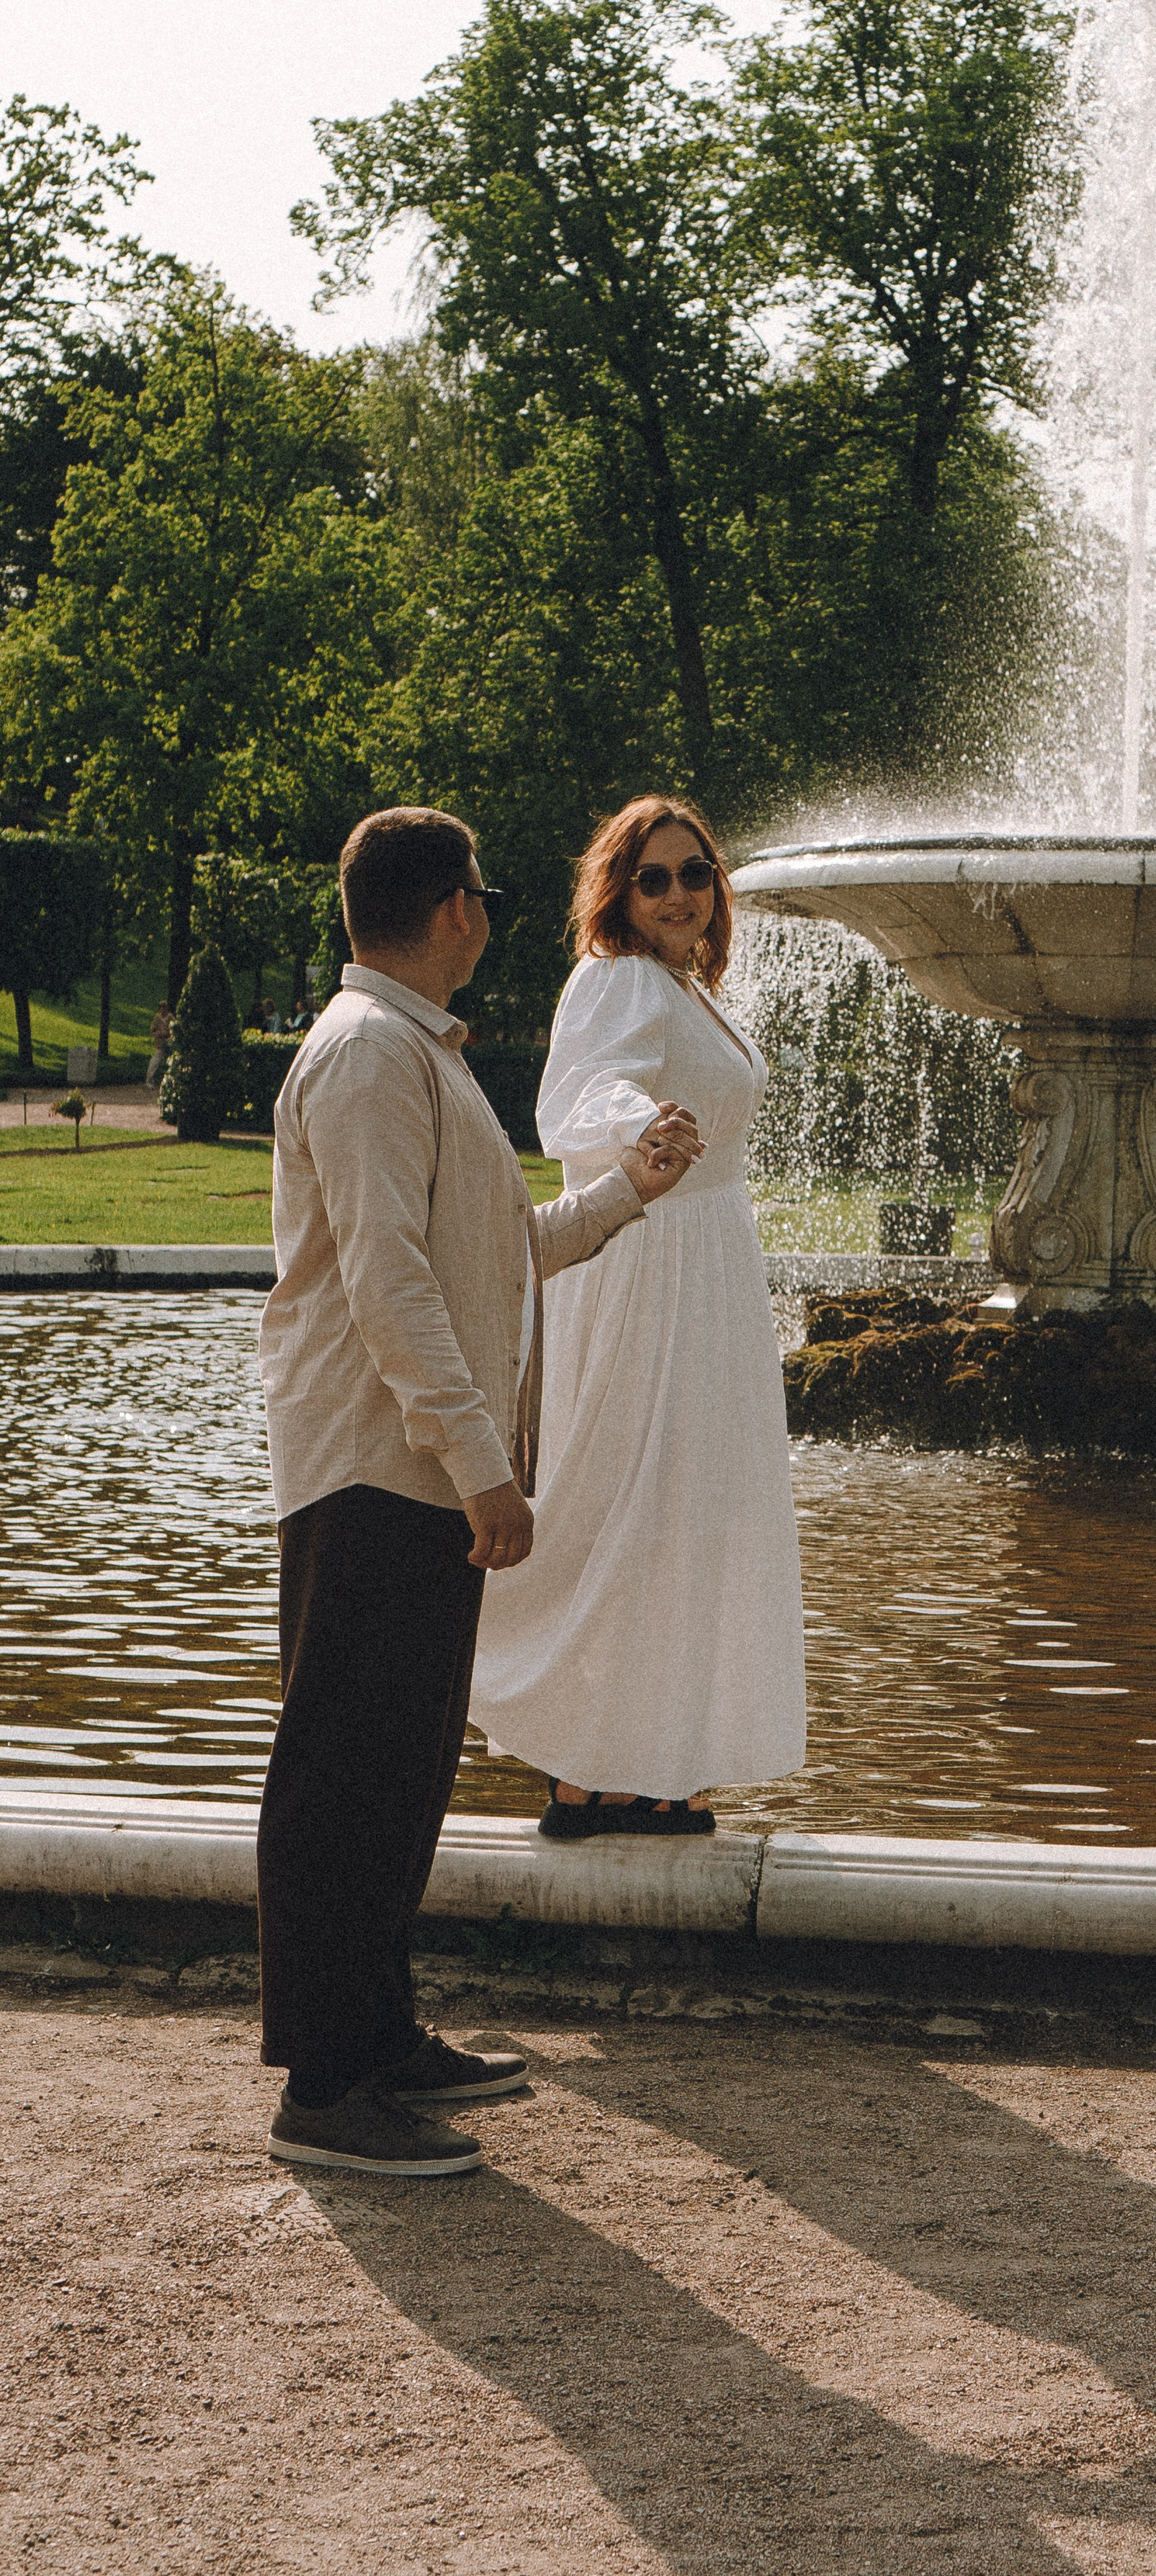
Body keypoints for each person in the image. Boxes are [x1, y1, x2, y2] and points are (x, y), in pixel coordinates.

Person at [255, 805, 703, 2178]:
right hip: (377, 1468)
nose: (492, 918)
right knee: (345, 1772)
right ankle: (325, 2087)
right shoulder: (367, 1057)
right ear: (454, 908)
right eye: (484, 897)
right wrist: (481, 1469)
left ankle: (378, 2036)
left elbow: (495, 1256)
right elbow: (388, 1283)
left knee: (401, 1766)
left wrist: (628, 1188)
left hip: (412, 1472)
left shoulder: (413, 1055)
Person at [468, 794, 806, 1836]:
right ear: (619, 891)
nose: (676, 894)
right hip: (649, 1259)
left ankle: (658, 1763)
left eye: (693, 873)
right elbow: (577, 1095)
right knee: (625, 1494)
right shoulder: (614, 977)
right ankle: (580, 1769)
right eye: (652, 877)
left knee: (691, 1511)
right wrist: (642, 1126)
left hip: (710, 1268)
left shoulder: (687, 987)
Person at [145, 999, 173, 1090]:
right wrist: (158, 1034)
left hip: (169, 1043)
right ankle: (149, 1081)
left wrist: (168, 1034)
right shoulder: (157, 1018)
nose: (162, 1009)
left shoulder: (171, 1018)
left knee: (170, 1063)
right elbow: (152, 1030)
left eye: (164, 1007)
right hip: (159, 1043)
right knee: (155, 1062)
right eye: (161, 1007)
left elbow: (175, 1029)